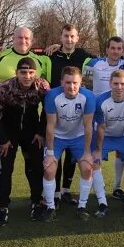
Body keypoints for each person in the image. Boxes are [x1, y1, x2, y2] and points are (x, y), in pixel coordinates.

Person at [0, 57, 48, 227]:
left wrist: (40, 132)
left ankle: (36, 201)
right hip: (9, 130)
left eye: (31, 72)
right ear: (16, 73)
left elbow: (48, 110)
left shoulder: (42, 87)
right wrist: (3, 139)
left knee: (35, 165)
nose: (27, 76)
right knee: (5, 167)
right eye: (23, 72)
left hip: (31, 131)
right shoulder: (4, 88)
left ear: (35, 73)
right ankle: (2, 205)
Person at [47, 24, 96, 207]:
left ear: (77, 38)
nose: (69, 39)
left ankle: (66, 190)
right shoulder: (51, 54)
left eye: (72, 36)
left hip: (75, 110)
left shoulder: (84, 56)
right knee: (56, 154)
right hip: (56, 106)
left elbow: (106, 61)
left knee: (72, 156)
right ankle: (56, 193)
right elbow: (31, 59)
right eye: (66, 36)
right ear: (61, 37)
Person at [42, 66, 96, 221]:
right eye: (68, 82)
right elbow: (50, 126)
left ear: (81, 83)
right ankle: (51, 207)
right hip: (57, 137)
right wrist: (50, 154)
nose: (71, 86)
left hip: (78, 137)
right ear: (61, 82)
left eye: (75, 83)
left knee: (87, 168)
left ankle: (82, 207)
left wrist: (87, 152)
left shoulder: (89, 97)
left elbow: (88, 126)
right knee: (49, 169)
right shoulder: (52, 95)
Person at [83, 36, 124, 201]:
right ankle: (99, 187)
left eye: (119, 48)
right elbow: (86, 88)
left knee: (121, 152)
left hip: (120, 112)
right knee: (96, 151)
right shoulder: (93, 64)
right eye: (112, 48)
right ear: (107, 49)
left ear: (122, 51)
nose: (115, 51)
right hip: (97, 114)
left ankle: (117, 186)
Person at [94, 70, 124, 215]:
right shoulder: (101, 101)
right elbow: (101, 127)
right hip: (106, 136)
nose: (119, 87)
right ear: (110, 83)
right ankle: (102, 203)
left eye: (122, 84)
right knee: (94, 161)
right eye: (115, 83)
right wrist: (98, 149)